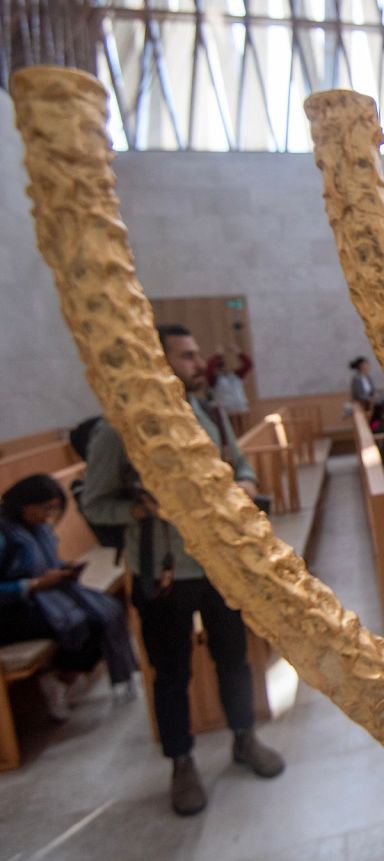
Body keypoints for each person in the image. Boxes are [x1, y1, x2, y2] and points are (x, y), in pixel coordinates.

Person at [81, 324, 283, 817]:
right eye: (189, 356)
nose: (200, 362)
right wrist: (141, 510)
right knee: (170, 674)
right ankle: (182, 763)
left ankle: (243, 737)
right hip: (162, 571)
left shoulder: (211, 412)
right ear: (159, 360)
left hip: (219, 565)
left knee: (233, 659)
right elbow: (94, 504)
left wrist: (247, 482)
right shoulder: (118, 429)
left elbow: (237, 461)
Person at [0, 474, 137, 719]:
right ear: (24, 505)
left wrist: (64, 571)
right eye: (45, 508)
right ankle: (57, 678)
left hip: (43, 598)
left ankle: (63, 677)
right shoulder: (4, 534)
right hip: (10, 613)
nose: (48, 516)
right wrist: (32, 585)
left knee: (107, 612)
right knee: (80, 622)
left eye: (53, 509)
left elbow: (44, 565)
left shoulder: (38, 530)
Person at [205, 342, 253, 434]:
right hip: (226, 414)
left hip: (241, 409)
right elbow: (209, 370)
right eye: (219, 367)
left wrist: (238, 352)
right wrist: (218, 355)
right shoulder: (214, 380)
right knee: (231, 435)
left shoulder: (236, 375)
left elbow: (248, 364)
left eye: (223, 365)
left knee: (246, 433)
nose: (223, 368)